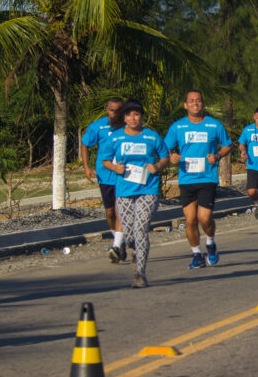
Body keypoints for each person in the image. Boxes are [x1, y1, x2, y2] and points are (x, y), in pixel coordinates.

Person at [100, 100, 169, 288]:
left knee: (140, 229)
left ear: (141, 117)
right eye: (129, 115)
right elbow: (105, 160)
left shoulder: (152, 137)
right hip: (124, 191)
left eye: (136, 114)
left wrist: (157, 166)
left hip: (148, 189)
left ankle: (140, 272)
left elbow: (165, 157)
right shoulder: (115, 138)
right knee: (130, 234)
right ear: (124, 118)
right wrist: (115, 167)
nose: (133, 118)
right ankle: (133, 249)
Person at [164, 90, 233, 269]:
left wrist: (217, 156)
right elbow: (167, 149)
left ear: (203, 104)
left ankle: (210, 242)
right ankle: (197, 254)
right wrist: (172, 157)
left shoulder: (214, 125)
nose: (195, 103)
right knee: (190, 220)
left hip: (207, 177)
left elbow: (227, 145)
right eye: (191, 101)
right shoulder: (177, 127)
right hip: (186, 178)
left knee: (205, 218)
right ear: (186, 105)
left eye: (198, 100)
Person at [81, 97, 126, 263]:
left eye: (118, 110)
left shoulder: (129, 126)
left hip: (124, 175)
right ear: (107, 110)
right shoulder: (97, 126)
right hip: (105, 175)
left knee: (119, 209)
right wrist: (86, 167)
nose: (114, 113)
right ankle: (118, 240)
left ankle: (116, 245)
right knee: (109, 212)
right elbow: (85, 143)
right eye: (111, 110)